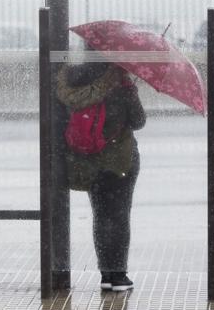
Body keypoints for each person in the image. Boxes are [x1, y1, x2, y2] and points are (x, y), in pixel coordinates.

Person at [57, 60, 146, 292]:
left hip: (87, 163)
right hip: (119, 162)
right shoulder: (120, 84)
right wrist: (131, 92)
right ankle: (118, 276)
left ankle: (105, 274)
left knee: (101, 216)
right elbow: (138, 122)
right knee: (118, 216)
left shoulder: (73, 81)